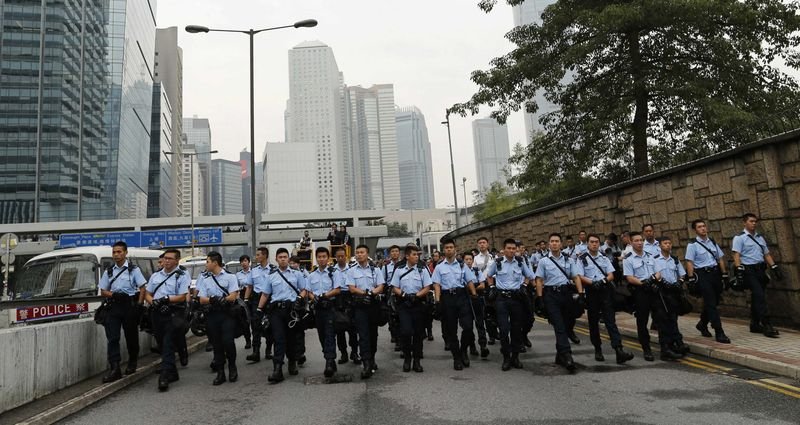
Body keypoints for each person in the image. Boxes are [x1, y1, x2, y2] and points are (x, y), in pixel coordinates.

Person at [576, 234, 634, 364]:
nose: (594, 244)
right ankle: (597, 348)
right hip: (591, 292)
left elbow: (611, 274)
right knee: (593, 322)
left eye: (596, 242)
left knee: (610, 321)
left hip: (604, 291)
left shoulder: (603, 258)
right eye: (592, 242)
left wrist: (603, 281)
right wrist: (592, 282)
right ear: (588, 244)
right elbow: (580, 275)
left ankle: (619, 350)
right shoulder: (582, 259)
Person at [255, 248, 308, 383]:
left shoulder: (297, 274)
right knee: (278, 339)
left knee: (291, 339)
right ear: (276, 259)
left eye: (285, 257)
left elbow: (304, 290)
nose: (283, 259)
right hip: (276, 311)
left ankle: (292, 361)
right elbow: (265, 294)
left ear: (289, 259)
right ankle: (277, 368)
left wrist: (300, 299)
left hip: (292, 310)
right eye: (280, 257)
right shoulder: (271, 276)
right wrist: (259, 309)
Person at [534, 233, 584, 373]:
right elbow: (539, 280)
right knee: (559, 325)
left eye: (557, 241)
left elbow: (576, 277)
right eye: (552, 241)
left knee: (568, 323)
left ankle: (559, 354)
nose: (554, 243)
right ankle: (567, 355)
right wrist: (539, 298)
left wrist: (581, 294)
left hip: (566, 294)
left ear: (561, 244)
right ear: (549, 244)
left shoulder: (569, 260)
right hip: (551, 295)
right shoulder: (544, 261)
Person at [99, 241, 147, 382]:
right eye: (114, 252)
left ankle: (133, 361)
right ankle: (115, 369)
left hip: (129, 306)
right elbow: (103, 290)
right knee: (112, 338)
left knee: (131, 336)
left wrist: (139, 306)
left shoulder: (133, 270)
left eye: (119, 252)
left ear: (125, 253)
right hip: (114, 306)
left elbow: (142, 289)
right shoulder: (109, 271)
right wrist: (113, 295)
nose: (116, 255)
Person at [486, 239, 535, 371]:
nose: (512, 250)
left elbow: (529, 275)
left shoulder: (520, 262)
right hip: (501, 299)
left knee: (516, 329)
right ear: (504, 249)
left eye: (514, 248)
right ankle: (506, 357)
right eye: (509, 248)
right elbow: (489, 275)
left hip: (516, 299)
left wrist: (524, 286)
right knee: (503, 329)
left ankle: (515, 357)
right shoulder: (497, 262)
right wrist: (492, 287)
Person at [732, 213, 783, 338]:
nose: (754, 223)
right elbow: (736, 255)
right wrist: (739, 269)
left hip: (760, 270)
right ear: (745, 223)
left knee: (757, 297)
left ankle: (754, 324)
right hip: (748, 271)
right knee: (759, 295)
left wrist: (774, 267)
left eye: (755, 221)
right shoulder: (740, 238)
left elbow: (766, 254)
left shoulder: (760, 237)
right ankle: (767, 324)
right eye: (751, 221)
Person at [145, 248, 191, 391]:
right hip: (157, 313)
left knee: (168, 343)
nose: (166, 261)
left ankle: (164, 376)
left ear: (177, 260)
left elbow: (183, 296)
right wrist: (155, 302)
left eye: (170, 258)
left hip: (174, 313)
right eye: (165, 258)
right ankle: (173, 373)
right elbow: (148, 294)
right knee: (161, 343)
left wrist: (166, 300)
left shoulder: (182, 275)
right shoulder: (155, 276)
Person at [623, 232, 672, 361]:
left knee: (661, 318)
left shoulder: (651, 256)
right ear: (631, 242)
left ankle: (665, 348)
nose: (639, 243)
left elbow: (658, 272)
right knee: (642, 321)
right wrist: (643, 283)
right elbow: (629, 277)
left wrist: (653, 280)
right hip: (640, 291)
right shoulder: (628, 259)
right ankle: (646, 349)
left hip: (654, 290)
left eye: (641, 240)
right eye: (636, 241)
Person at [432, 238, 477, 371]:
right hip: (447, 299)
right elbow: (437, 285)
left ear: (455, 249)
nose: (449, 249)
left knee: (468, 327)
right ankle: (456, 358)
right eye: (446, 248)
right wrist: (438, 301)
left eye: (451, 247)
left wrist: (474, 295)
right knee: (451, 331)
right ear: (443, 250)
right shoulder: (439, 267)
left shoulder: (462, 265)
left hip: (462, 297)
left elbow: (469, 281)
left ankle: (463, 351)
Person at [197, 252, 240, 385]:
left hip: (227, 314)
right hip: (212, 315)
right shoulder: (205, 279)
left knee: (228, 341)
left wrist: (223, 299)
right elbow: (201, 299)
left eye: (207, 261)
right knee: (217, 344)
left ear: (215, 262)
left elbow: (233, 296)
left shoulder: (230, 277)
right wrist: (213, 299)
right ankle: (220, 372)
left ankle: (232, 367)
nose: (206, 264)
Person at [684, 219, 731, 343]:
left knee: (714, 302)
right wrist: (691, 279)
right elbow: (689, 262)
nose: (703, 229)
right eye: (699, 227)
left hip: (715, 274)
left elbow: (720, 258)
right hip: (702, 274)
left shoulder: (712, 242)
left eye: (704, 226)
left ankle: (702, 323)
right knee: (710, 302)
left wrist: (724, 274)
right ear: (695, 230)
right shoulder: (692, 245)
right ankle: (719, 331)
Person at [391, 245, 433, 372]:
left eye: (417, 255)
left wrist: (417, 295)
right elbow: (394, 286)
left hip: (418, 304)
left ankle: (417, 361)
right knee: (406, 332)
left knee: (418, 334)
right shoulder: (399, 269)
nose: (416, 257)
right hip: (404, 305)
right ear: (407, 256)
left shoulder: (422, 270)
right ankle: (407, 359)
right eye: (414, 255)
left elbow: (427, 287)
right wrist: (403, 295)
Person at [347, 244, 386, 379]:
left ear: (367, 254)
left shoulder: (375, 270)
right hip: (359, 306)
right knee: (363, 335)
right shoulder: (352, 271)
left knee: (373, 334)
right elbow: (352, 288)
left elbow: (381, 286)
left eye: (362, 252)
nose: (359, 255)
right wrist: (364, 294)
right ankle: (366, 363)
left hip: (373, 305)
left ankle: (372, 358)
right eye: (357, 252)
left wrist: (371, 294)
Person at [307, 247, 343, 377]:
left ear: (328, 258)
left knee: (329, 334)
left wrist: (324, 296)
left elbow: (338, 289)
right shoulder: (312, 275)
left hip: (330, 307)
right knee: (322, 335)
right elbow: (309, 291)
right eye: (319, 257)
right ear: (316, 258)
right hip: (318, 309)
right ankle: (330, 359)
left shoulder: (334, 272)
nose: (321, 259)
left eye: (324, 256)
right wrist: (314, 298)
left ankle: (329, 361)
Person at [654, 236, 688, 360]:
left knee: (673, 319)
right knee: (663, 320)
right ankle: (665, 348)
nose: (668, 245)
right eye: (665, 243)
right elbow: (656, 275)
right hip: (662, 293)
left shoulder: (674, 259)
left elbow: (682, 274)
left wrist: (679, 282)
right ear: (660, 246)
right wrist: (663, 283)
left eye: (669, 243)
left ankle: (676, 344)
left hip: (674, 292)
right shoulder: (655, 259)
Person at [246, 247, 274, 362]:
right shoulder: (254, 270)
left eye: (258, 255)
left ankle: (268, 350)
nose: (256, 257)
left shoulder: (273, 270)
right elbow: (249, 286)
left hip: (270, 300)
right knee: (255, 325)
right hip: (256, 300)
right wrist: (246, 300)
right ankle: (255, 352)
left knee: (270, 326)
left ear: (264, 256)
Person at [333, 246, 359, 364]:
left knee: (353, 328)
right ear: (335, 258)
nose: (340, 258)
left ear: (346, 256)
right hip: (337, 299)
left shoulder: (352, 269)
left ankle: (354, 352)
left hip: (350, 297)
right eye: (338, 256)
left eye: (342, 256)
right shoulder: (332, 271)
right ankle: (343, 353)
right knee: (339, 328)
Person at [463, 251, 490, 358]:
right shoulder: (460, 272)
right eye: (466, 259)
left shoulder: (476, 270)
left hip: (476, 299)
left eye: (470, 259)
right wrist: (474, 286)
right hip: (465, 301)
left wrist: (472, 288)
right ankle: (472, 345)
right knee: (468, 326)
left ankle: (483, 346)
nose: (469, 261)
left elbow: (482, 285)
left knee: (480, 323)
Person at [383, 245, 403, 352]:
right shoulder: (385, 267)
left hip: (401, 293)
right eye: (392, 251)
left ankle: (401, 339)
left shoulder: (403, 265)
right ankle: (396, 337)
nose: (395, 253)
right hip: (391, 293)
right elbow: (383, 282)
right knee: (392, 318)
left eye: (396, 251)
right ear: (390, 253)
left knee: (401, 317)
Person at [235, 255, 254, 349]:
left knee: (255, 320)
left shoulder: (254, 272)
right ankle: (248, 340)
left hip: (254, 297)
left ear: (249, 262)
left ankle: (256, 341)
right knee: (245, 321)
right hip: (243, 298)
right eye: (242, 261)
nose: (244, 263)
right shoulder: (238, 275)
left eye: (245, 261)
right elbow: (236, 288)